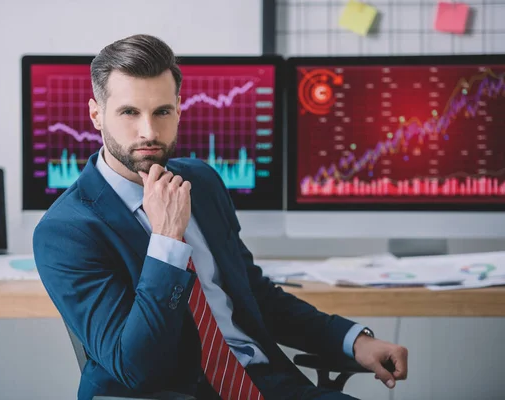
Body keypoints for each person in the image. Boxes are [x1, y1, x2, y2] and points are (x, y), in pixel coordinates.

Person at [33, 34, 408, 400]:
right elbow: (137, 369)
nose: (149, 131)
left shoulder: (202, 181)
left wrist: (353, 340)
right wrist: (166, 240)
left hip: (265, 382)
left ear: (179, 108)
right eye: (129, 112)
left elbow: (254, 295)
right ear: (96, 115)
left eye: (162, 111)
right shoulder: (66, 231)